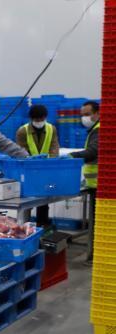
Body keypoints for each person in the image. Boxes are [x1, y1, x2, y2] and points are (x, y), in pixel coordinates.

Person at [15, 104, 60, 227]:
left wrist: (51, 161)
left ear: (45, 117)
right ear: (31, 119)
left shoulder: (52, 129)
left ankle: (42, 225)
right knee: (26, 200)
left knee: (44, 200)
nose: (39, 122)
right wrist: (32, 161)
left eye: (41, 119)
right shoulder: (22, 131)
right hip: (28, 170)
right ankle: (25, 226)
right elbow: (21, 151)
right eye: (36, 120)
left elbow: (54, 147)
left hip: (46, 170)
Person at [71, 100, 100, 261]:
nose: (84, 118)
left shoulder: (99, 130)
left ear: (98, 113)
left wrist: (70, 156)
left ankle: (96, 253)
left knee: (98, 222)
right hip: (94, 184)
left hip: (101, 185)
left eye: (88, 114)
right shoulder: (93, 130)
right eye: (82, 115)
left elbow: (92, 152)